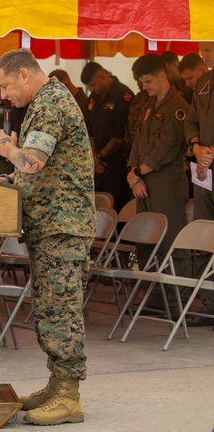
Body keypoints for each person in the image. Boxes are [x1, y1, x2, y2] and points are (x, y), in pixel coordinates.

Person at [0, 48, 94, 426]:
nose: (4, 95)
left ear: (23, 74)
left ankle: (69, 396)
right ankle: (57, 384)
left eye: (5, 85)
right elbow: (35, 172)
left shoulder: (50, 103)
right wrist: (5, 180)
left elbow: (33, 161)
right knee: (51, 308)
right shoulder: (42, 104)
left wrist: (8, 151)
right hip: (50, 224)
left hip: (62, 227)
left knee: (60, 310)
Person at [126, 54, 191, 309]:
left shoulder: (178, 107)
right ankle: (154, 300)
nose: (145, 87)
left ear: (162, 75)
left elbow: (168, 146)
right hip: (144, 184)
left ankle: (178, 302)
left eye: (148, 82)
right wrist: (133, 174)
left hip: (166, 184)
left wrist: (140, 172)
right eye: (142, 83)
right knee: (146, 243)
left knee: (171, 243)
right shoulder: (148, 106)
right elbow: (137, 143)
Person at [185, 41, 214, 325]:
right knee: (206, 234)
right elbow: (191, 120)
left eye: (210, 49)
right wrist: (196, 147)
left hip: (209, 161)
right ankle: (209, 304)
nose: (205, 55)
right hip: (205, 171)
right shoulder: (204, 81)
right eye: (203, 49)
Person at [81, 62, 134, 212]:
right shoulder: (94, 97)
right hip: (97, 164)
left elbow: (121, 134)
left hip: (117, 163)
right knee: (98, 208)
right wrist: (94, 157)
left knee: (117, 206)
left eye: (93, 85)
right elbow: (88, 129)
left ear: (102, 76)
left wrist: (100, 155)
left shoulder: (122, 95)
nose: (91, 90)